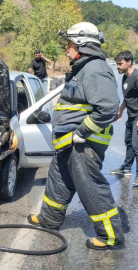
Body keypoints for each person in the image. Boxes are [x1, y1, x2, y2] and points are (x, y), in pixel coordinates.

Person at [27, 22, 125, 250]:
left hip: (83, 145)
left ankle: (111, 236)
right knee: (58, 180)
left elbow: (109, 108)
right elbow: (73, 103)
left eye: (70, 43)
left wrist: (82, 132)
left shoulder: (95, 69)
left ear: (82, 44)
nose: (67, 49)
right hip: (69, 143)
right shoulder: (83, 69)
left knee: (90, 187)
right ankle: (49, 220)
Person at [110, 51, 138, 187]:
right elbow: (128, 98)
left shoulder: (137, 76)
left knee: (137, 146)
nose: (118, 67)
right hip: (131, 116)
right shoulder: (125, 78)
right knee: (129, 143)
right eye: (117, 64)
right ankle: (126, 168)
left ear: (129, 62)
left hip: (137, 117)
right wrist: (120, 111)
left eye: (120, 64)